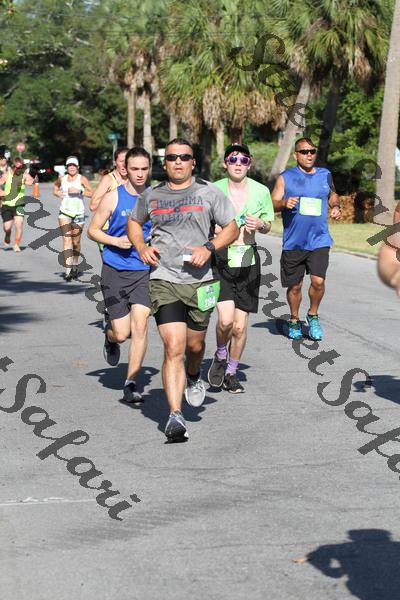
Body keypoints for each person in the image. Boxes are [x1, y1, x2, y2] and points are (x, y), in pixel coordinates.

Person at [127, 138, 238, 442]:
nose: (178, 162)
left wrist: (209, 247)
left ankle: (193, 374)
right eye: (172, 157)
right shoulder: (151, 195)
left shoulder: (208, 193)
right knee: (174, 346)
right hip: (164, 279)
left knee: (195, 346)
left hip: (201, 282)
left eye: (184, 157)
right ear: (165, 163)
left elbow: (232, 228)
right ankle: (175, 415)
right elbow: (134, 223)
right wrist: (141, 246)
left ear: (193, 162)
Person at [207, 143, 274, 393]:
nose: (238, 163)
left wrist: (261, 225)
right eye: (233, 159)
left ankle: (231, 373)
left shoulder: (261, 191)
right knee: (225, 321)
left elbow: (269, 224)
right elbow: (201, 220)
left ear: (250, 163)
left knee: (239, 326)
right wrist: (214, 229)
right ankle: (220, 354)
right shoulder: (213, 189)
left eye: (243, 160)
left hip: (247, 257)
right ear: (225, 163)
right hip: (220, 258)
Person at [88, 147, 151, 402]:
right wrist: (115, 241)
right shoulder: (113, 197)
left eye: (144, 169)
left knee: (141, 325)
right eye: (134, 169)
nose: (139, 174)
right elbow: (92, 230)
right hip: (114, 270)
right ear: (125, 169)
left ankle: (131, 382)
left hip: (144, 271)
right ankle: (110, 337)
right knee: (122, 334)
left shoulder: (156, 198)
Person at [271, 137, 341, 341]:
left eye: (312, 151)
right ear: (296, 155)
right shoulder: (285, 177)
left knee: (318, 281)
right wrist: (284, 203)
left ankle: (313, 315)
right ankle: (294, 319)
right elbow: (272, 202)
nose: (309, 155)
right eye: (304, 152)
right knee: (295, 286)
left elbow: (333, 194)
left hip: (319, 239)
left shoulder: (325, 174)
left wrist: (336, 206)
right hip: (294, 241)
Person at [53, 156, 93, 281]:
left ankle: (75, 265)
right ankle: (68, 270)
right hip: (64, 212)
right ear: (67, 167)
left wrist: (80, 191)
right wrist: (57, 192)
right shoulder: (62, 178)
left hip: (78, 213)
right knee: (66, 240)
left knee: (76, 243)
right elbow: (55, 187)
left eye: (74, 165)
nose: (71, 167)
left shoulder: (82, 179)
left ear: (78, 167)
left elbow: (92, 193)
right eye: (69, 165)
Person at [0, 156, 35, 252]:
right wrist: (1, 192)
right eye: (16, 166)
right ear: (13, 166)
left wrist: (28, 180)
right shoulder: (7, 175)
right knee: (7, 227)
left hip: (19, 204)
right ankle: (7, 234)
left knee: (19, 224)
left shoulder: (24, 175)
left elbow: (32, 181)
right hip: (6, 204)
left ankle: (16, 244)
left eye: (20, 167)